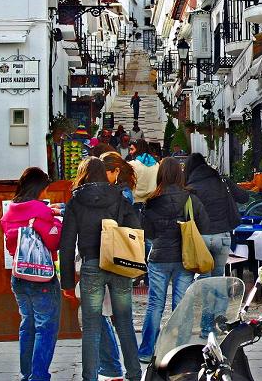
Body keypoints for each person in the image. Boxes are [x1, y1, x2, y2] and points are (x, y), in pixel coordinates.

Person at [60, 157, 142, 381]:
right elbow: (136, 228)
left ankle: (90, 377)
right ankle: (135, 374)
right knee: (124, 323)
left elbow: (66, 244)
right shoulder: (119, 197)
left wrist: (67, 283)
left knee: (91, 327)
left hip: (91, 265)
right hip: (118, 265)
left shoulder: (76, 201)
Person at [137, 157, 210, 363]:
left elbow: (147, 232)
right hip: (184, 258)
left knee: (155, 304)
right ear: (180, 175)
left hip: (159, 257)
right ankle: (179, 351)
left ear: (160, 175)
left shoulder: (151, 201)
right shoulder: (190, 199)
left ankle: (146, 351)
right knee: (181, 305)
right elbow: (204, 225)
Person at [0, 168, 62, 381]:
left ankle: (26, 374)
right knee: (45, 328)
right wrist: (57, 222)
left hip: (19, 276)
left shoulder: (10, 210)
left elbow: (11, 244)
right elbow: (53, 240)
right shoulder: (40, 209)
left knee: (27, 325)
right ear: (39, 188)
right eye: (45, 189)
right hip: (42, 278)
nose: (46, 193)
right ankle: (39, 376)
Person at [184, 153, 250, 336]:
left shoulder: (190, 188)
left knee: (206, 283)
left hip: (202, 239)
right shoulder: (222, 182)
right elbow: (244, 197)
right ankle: (218, 320)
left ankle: (206, 327)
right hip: (223, 237)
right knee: (219, 278)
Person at [97, 151, 140, 380]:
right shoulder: (120, 192)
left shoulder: (120, 194)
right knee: (119, 319)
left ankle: (117, 368)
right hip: (116, 260)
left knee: (117, 318)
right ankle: (126, 370)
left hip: (114, 259)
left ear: (114, 171)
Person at [128, 139, 159, 205]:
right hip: (153, 202)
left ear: (139, 149)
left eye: (132, 149)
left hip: (136, 202)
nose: (130, 152)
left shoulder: (131, 164)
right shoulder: (156, 164)